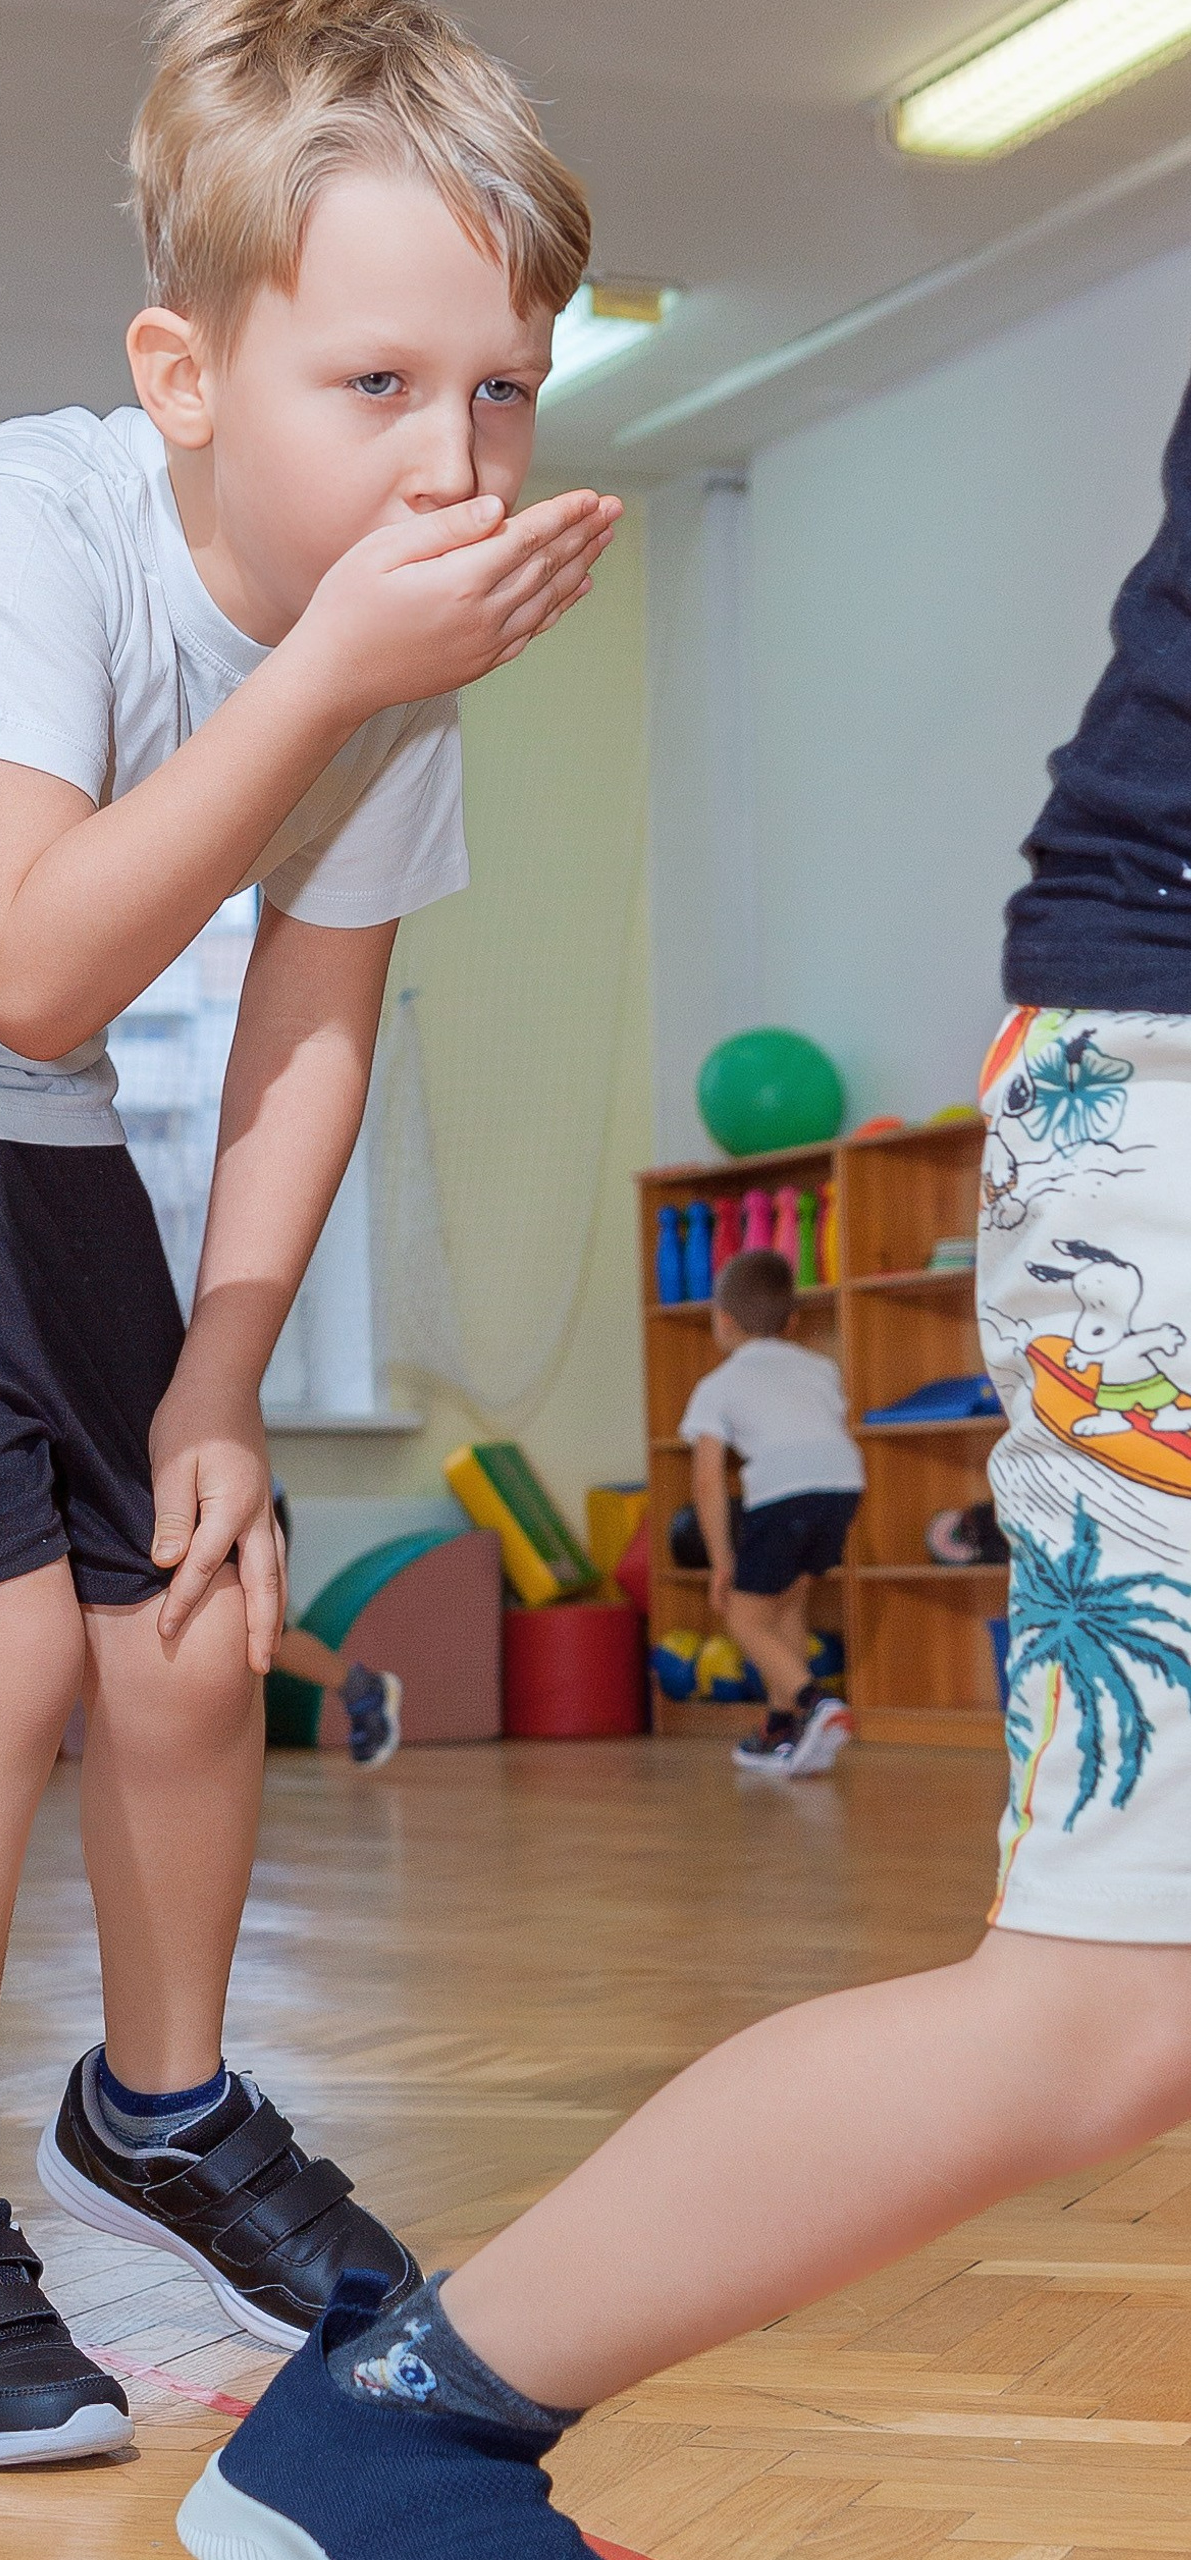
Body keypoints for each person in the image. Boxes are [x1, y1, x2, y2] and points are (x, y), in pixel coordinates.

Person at [0, 0, 616, 2469]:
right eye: (371, 381)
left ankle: (155, 2107)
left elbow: (302, 1022)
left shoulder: (401, 664)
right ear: (179, 371)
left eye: (500, 390)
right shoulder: (17, 534)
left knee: (173, 1611)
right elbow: (37, 949)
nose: (447, 457)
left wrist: (219, 1373)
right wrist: (337, 677)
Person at [171, 359, 1191, 2560]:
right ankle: (391, 2425)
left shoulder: (764, 1385)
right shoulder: (740, 1381)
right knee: (1110, 2008)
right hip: (1168, 1062)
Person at [684, 1247, 861, 1777]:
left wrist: (721, 1562)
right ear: (793, 1320)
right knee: (786, 1603)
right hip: (844, 1484)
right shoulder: (822, 1368)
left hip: (784, 1491)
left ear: (722, 1319)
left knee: (743, 1615)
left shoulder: (716, 1385)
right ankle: (783, 1727)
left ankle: (814, 1703)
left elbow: (707, 1479)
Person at [264, 1493, 402, 1766]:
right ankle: (363, 1690)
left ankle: (363, 1690)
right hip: (175, 1502)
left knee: (259, 1632)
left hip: (245, 1496)